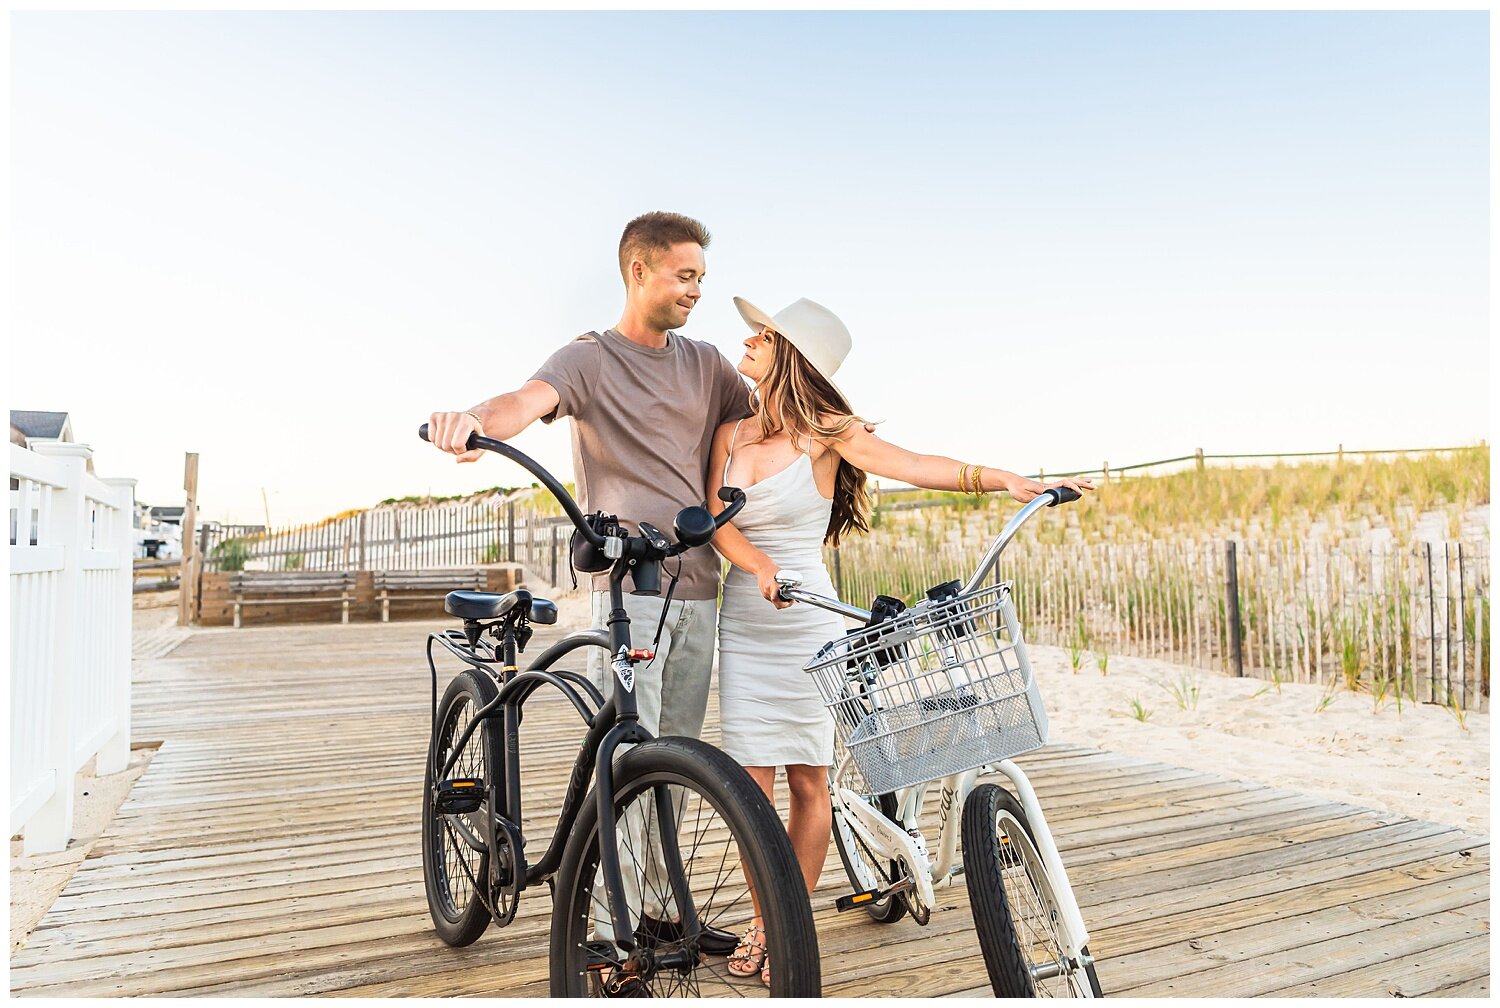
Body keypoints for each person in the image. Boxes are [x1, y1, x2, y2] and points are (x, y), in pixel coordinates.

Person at [706, 296, 1094, 985]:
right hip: (747, 612)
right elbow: (716, 521)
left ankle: (781, 931)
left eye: (761, 336)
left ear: (787, 355)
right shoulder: (731, 432)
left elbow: (913, 464)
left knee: (808, 782)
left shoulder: (827, 432)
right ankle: (769, 919)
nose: (747, 340)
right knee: (748, 786)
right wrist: (759, 567)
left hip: (809, 614)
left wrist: (1001, 479)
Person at [427, 211, 752, 956]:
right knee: (627, 760)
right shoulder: (588, 358)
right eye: (684, 275)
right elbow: (522, 402)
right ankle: (612, 931)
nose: (696, 289)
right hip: (626, 587)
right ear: (639, 271)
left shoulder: (706, 365)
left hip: (697, 582)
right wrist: (472, 422)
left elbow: (767, 419)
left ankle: (665, 910)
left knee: (678, 757)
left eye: (701, 276)